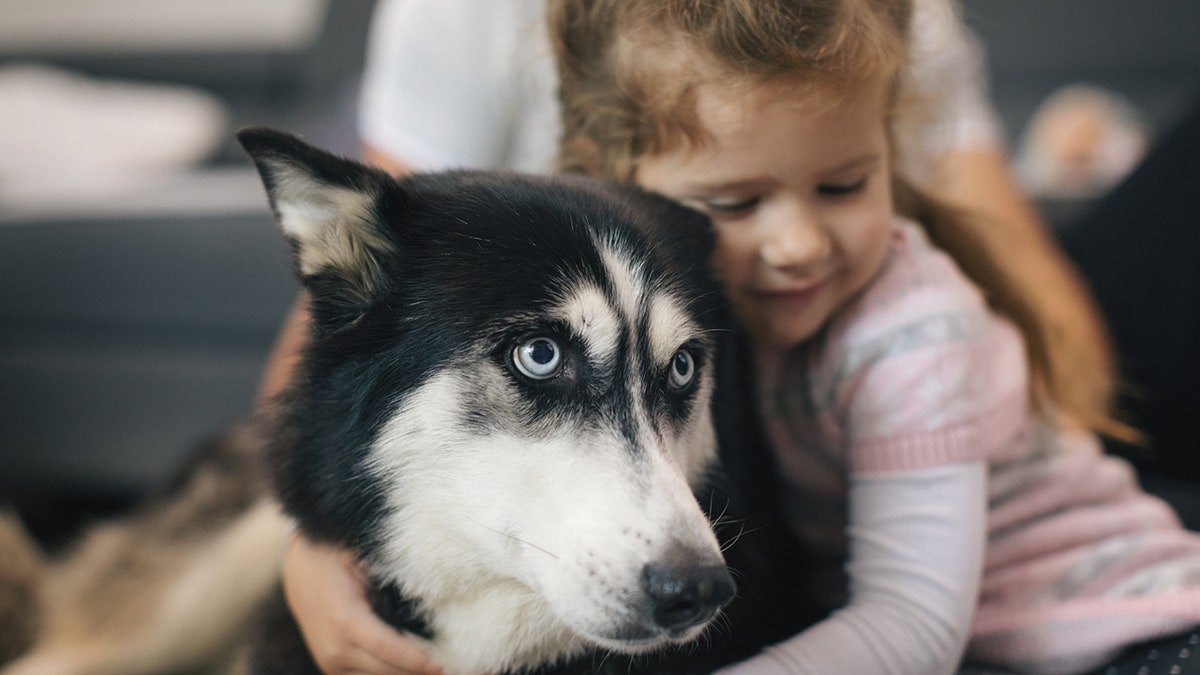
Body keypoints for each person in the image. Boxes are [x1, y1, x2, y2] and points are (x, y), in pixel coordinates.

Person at [270, 1, 1200, 674]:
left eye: (843, 185)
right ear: (614, 183)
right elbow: (356, 348)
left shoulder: (911, 336)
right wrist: (316, 543)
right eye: (735, 202)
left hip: (1128, 625)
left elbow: (913, 625)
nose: (793, 243)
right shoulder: (690, 296)